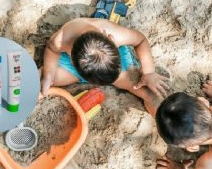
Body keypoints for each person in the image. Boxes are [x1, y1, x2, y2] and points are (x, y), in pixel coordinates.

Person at [40, 18, 169, 115]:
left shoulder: (115, 34)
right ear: (73, 62)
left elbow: (140, 40)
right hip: (82, 65)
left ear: (111, 39)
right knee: (43, 78)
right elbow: (51, 51)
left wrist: (149, 72)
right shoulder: (61, 40)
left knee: (150, 92)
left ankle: (162, 118)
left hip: (111, 63)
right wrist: (48, 75)